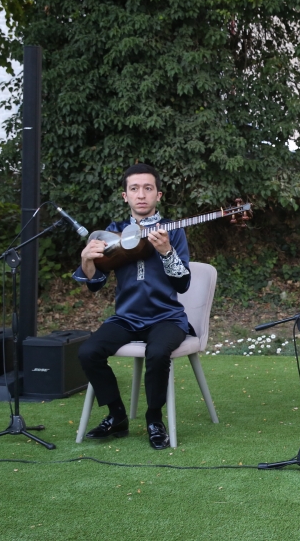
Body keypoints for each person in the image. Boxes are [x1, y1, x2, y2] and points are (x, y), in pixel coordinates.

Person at [75, 163, 192, 450]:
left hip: (166, 318)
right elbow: (95, 284)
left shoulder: (172, 231)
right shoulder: (112, 233)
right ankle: (117, 415)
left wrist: (166, 252)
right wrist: (87, 260)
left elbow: (183, 284)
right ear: (125, 196)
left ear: (158, 195)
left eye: (148, 188)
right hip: (126, 318)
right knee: (88, 351)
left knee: (158, 351)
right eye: (134, 189)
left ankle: (154, 419)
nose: (141, 195)